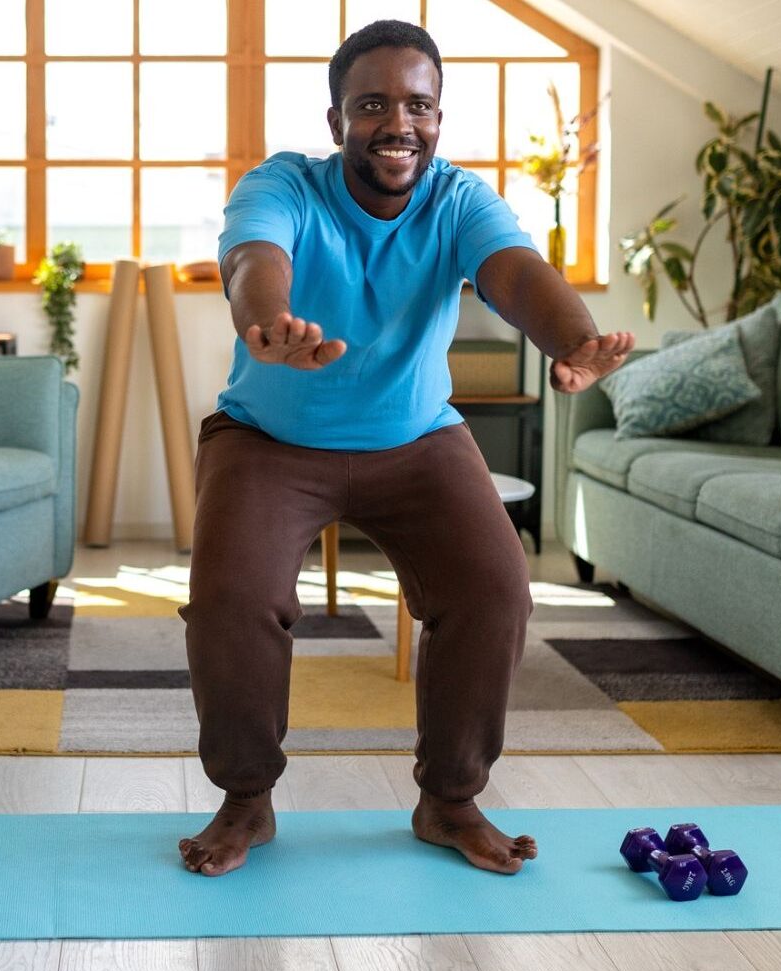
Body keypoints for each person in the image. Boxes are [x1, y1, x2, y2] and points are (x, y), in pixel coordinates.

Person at [176, 19, 634, 878]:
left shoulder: (459, 198)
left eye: (419, 105)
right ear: (337, 118)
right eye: (374, 104)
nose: (399, 123)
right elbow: (251, 256)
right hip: (270, 439)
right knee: (231, 598)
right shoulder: (285, 184)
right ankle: (246, 799)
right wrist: (265, 322)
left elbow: (515, 272)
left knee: (495, 589)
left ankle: (450, 801)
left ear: (438, 117)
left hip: (416, 438)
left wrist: (571, 340)